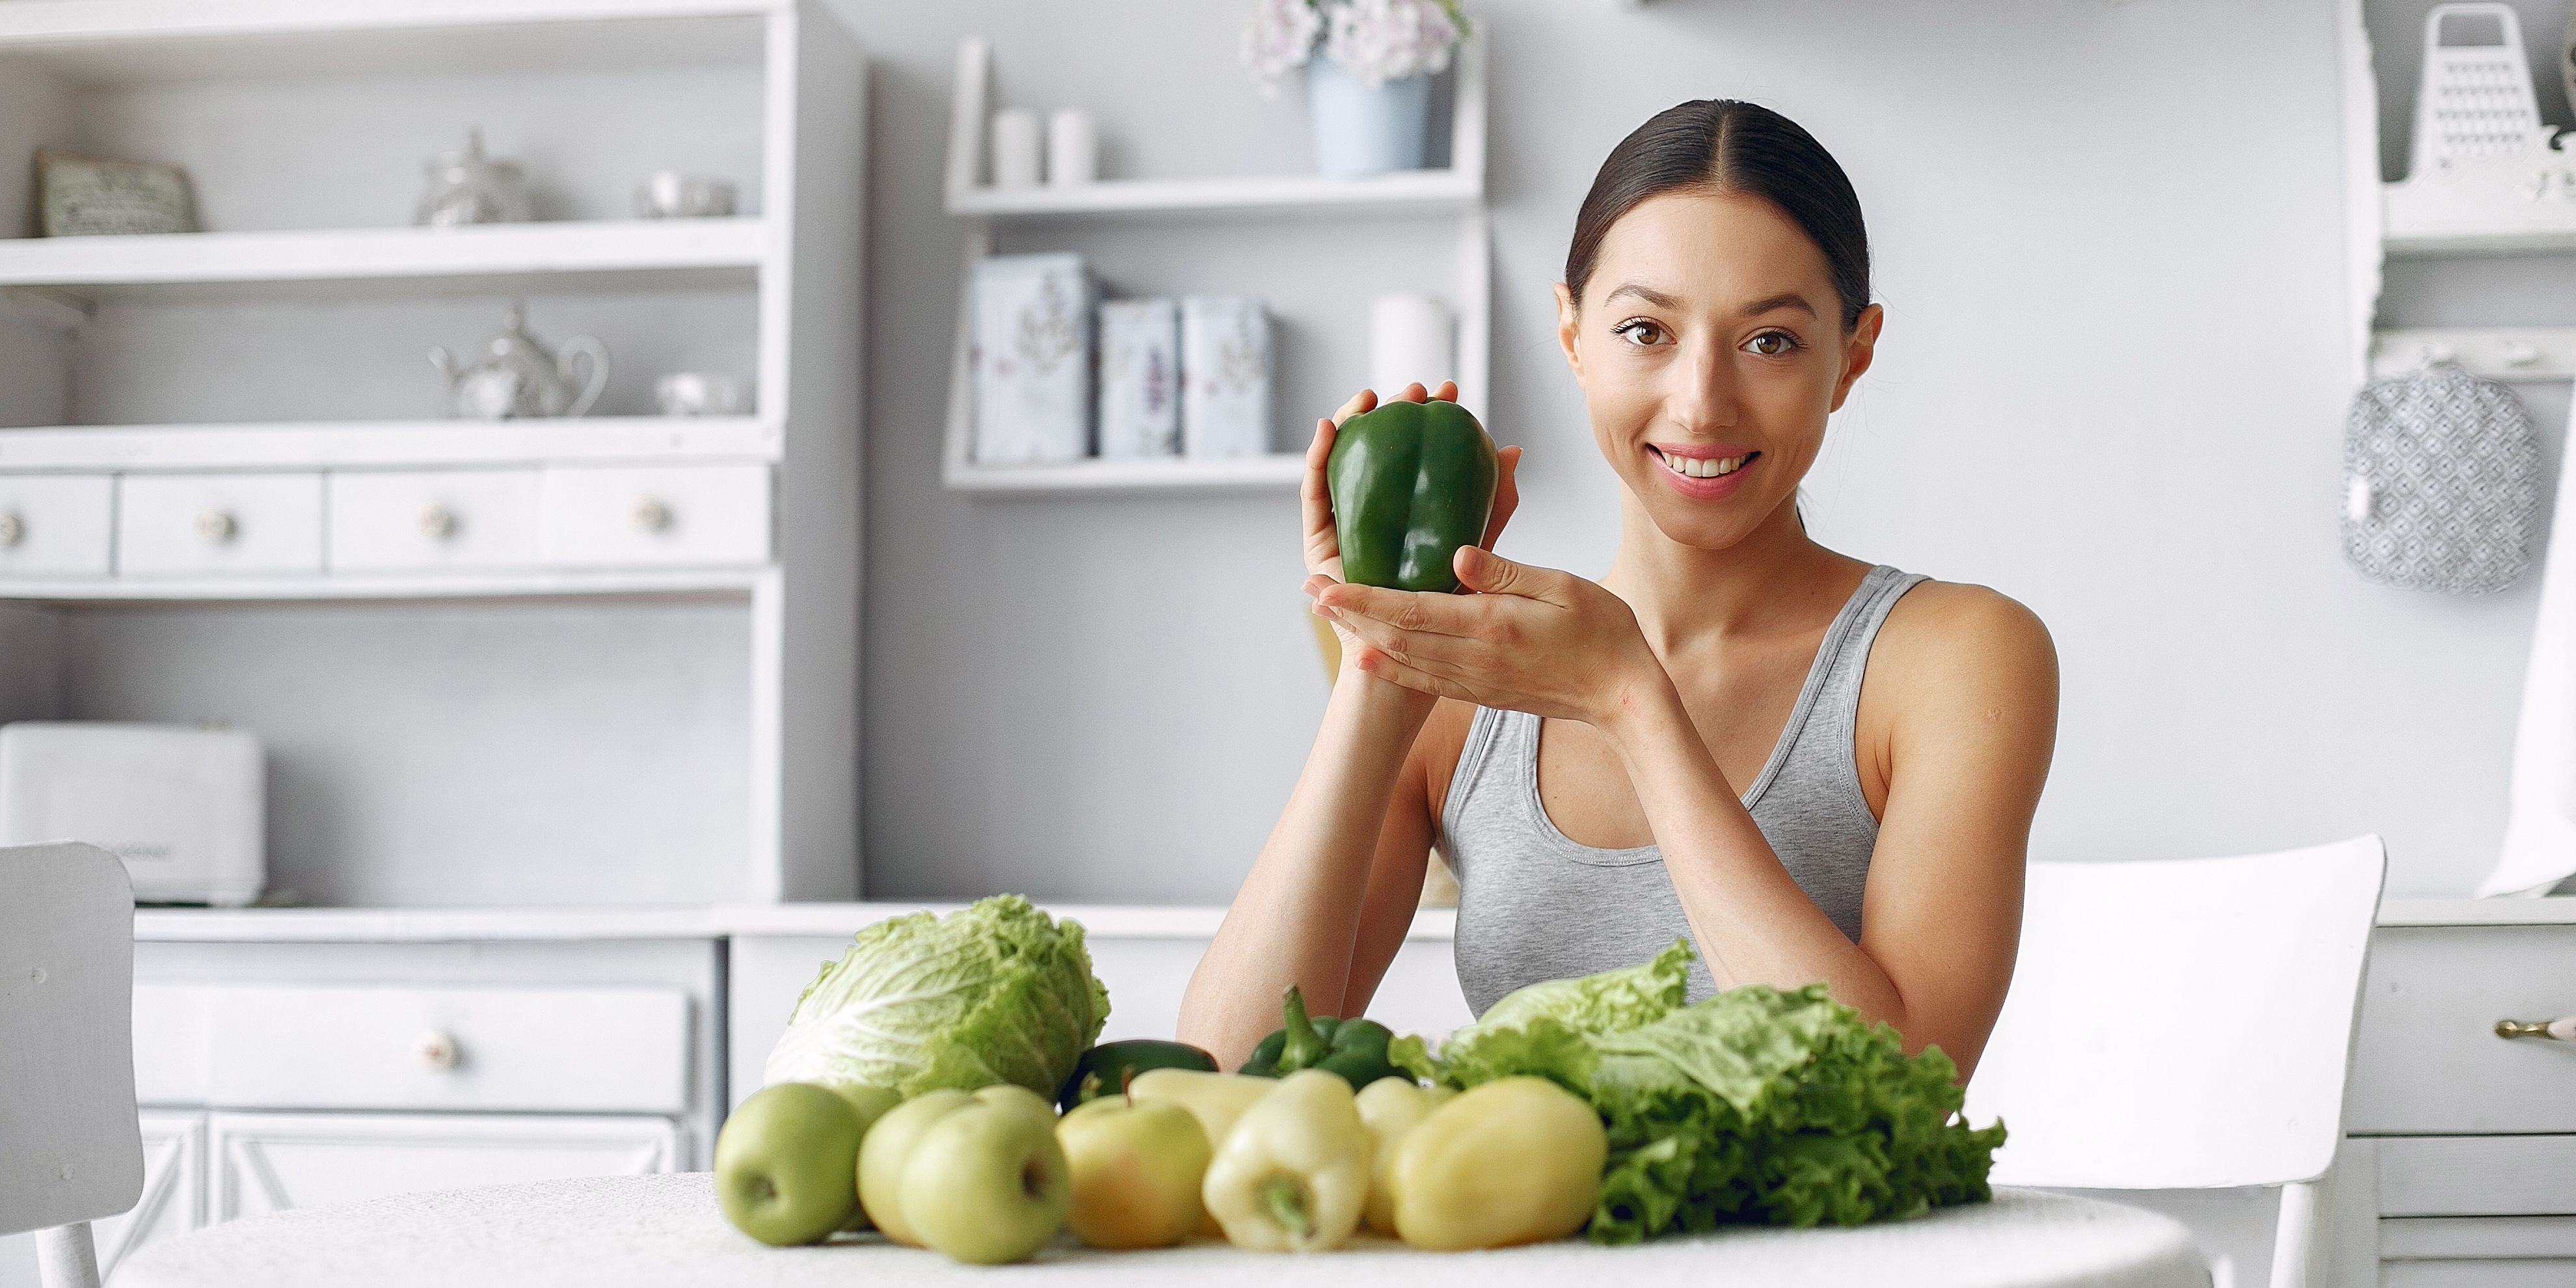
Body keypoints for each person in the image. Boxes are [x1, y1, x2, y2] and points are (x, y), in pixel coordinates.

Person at [1176, 99, 2058, 1080]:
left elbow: (1894, 1096)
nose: (1702, 403)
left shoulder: (1955, 658)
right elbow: (1218, 1080)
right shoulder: (1470, 687)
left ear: (1853, 354)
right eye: (1646, 330)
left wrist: (1632, 703)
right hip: (1522, 1231)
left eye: (1770, 341)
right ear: (1571, 333)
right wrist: (1378, 667)